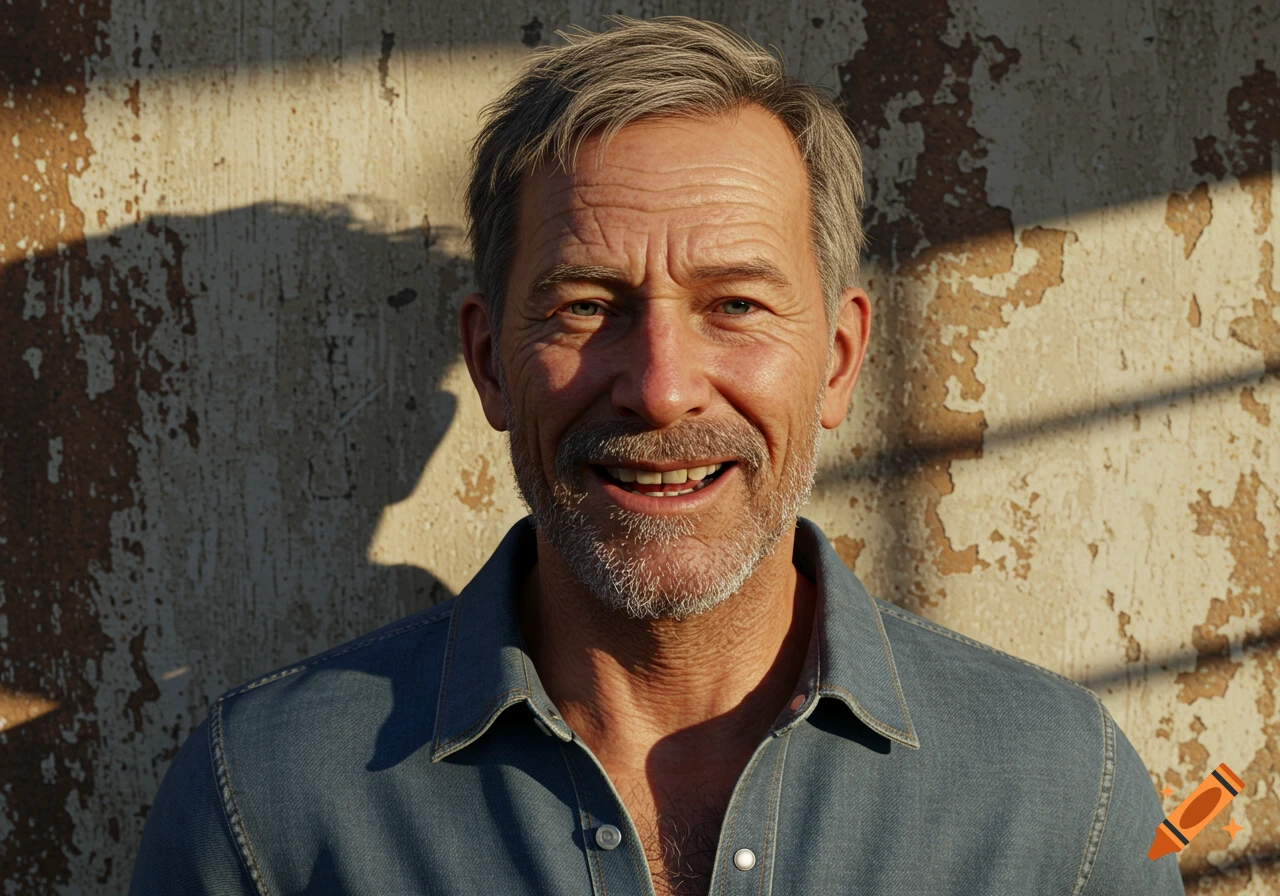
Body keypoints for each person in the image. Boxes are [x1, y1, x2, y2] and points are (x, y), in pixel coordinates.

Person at [130, 16, 1185, 896]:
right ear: (491, 362)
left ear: (837, 359)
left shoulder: (1065, 797)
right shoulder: (263, 800)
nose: (661, 383)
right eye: (587, 304)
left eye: (733, 303)